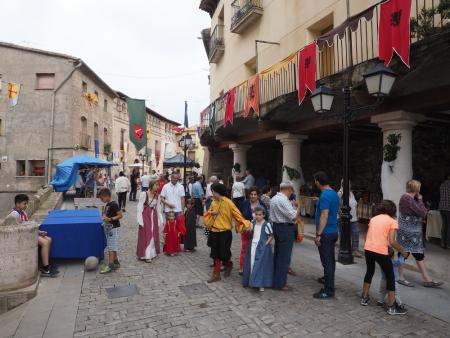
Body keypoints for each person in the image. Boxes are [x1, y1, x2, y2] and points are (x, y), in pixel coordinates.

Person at [360, 200, 409, 316]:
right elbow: (392, 241)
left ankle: (364, 297)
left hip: (368, 249)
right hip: (381, 251)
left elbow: (366, 236)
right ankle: (392, 306)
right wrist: (403, 251)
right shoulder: (392, 221)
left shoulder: (374, 219)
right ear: (392, 210)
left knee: (369, 272)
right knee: (390, 277)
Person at [397, 180, 443, 288]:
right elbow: (422, 212)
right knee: (404, 253)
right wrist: (421, 200)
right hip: (407, 232)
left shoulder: (410, 198)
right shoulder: (407, 198)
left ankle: (427, 279)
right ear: (416, 188)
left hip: (413, 232)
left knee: (418, 254)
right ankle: (400, 277)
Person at [204, 183, 251, 283]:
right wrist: (212, 213)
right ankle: (216, 274)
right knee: (215, 253)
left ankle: (228, 265)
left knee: (224, 253)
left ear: (218, 192)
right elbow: (208, 213)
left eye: (213, 192)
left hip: (225, 232)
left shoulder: (229, 202)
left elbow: (237, 214)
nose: (212, 194)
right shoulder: (213, 203)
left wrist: (245, 224)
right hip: (214, 231)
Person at [8, 194, 59, 277]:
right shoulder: (14, 215)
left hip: (29, 233)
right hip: (24, 236)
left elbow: (27, 224)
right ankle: (46, 268)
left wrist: (39, 232)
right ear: (17, 204)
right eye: (24, 204)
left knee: (49, 239)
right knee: (45, 243)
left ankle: (46, 263)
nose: (26, 206)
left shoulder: (23, 212)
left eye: (27, 203)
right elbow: (18, 229)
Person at [270, 181, 300, 291]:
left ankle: (275, 280)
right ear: (289, 189)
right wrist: (298, 207)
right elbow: (294, 216)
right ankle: (280, 283)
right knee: (284, 257)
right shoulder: (283, 200)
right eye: (292, 190)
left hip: (277, 227)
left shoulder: (274, 198)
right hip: (285, 228)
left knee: (278, 255)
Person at [313, 171, 339, 299]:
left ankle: (328, 291)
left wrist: (319, 234)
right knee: (330, 261)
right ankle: (329, 282)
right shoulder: (333, 193)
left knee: (327, 262)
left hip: (326, 233)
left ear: (317, 181)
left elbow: (324, 215)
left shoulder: (324, 195)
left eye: (315, 180)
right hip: (333, 231)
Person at [242, 206, 274, 292]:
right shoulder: (253, 222)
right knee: (252, 263)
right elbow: (249, 232)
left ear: (263, 215)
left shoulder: (266, 224)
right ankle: (252, 281)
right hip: (253, 245)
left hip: (261, 247)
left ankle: (260, 283)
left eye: (260, 214)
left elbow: (271, 235)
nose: (258, 216)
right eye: (256, 214)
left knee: (260, 265)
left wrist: (266, 244)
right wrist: (247, 229)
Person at [239, 186, 267, 275]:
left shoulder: (262, 205)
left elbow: (266, 217)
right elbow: (239, 216)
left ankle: (253, 267)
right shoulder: (245, 203)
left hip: (258, 231)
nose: (253, 196)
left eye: (255, 194)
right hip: (246, 230)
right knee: (245, 248)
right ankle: (242, 267)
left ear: (258, 195)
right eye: (251, 194)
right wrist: (243, 225)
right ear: (249, 195)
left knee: (256, 249)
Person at [98, 188, 123, 274]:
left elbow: (120, 215)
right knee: (113, 245)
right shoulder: (108, 204)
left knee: (111, 247)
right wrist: (104, 215)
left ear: (107, 196)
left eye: (102, 198)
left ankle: (110, 265)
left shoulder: (114, 204)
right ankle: (116, 262)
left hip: (113, 228)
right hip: (109, 227)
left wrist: (110, 218)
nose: (101, 200)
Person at [137, 180, 161, 262]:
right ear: (151, 185)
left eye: (158, 185)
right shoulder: (144, 194)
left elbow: (158, 207)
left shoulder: (157, 195)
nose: (157, 187)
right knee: (147, 233)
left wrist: (159, 218)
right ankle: (145, 255)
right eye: (156, 185)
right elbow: (140, 206)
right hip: (146, 215)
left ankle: (151, 253)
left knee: (153, 233)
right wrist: (140, 219)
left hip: (153, 215)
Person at [338, 179, 361, 257]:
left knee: (356, 233)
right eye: (348, 183)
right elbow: (336, 204)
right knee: (344, 234)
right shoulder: (340, 193)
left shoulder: (351, 193)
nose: (349, 185)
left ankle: (355, 250)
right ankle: (342, 248)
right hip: (344, 218)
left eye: (350, 183)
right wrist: (340, 213)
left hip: (353, 218)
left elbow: (354, 204)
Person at [439, 173, 450, 249]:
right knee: (449, 227)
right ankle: (448, 244)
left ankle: (443, 243)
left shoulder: (442, 185)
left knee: (444, 225)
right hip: (449, 208)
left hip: (442, 207)